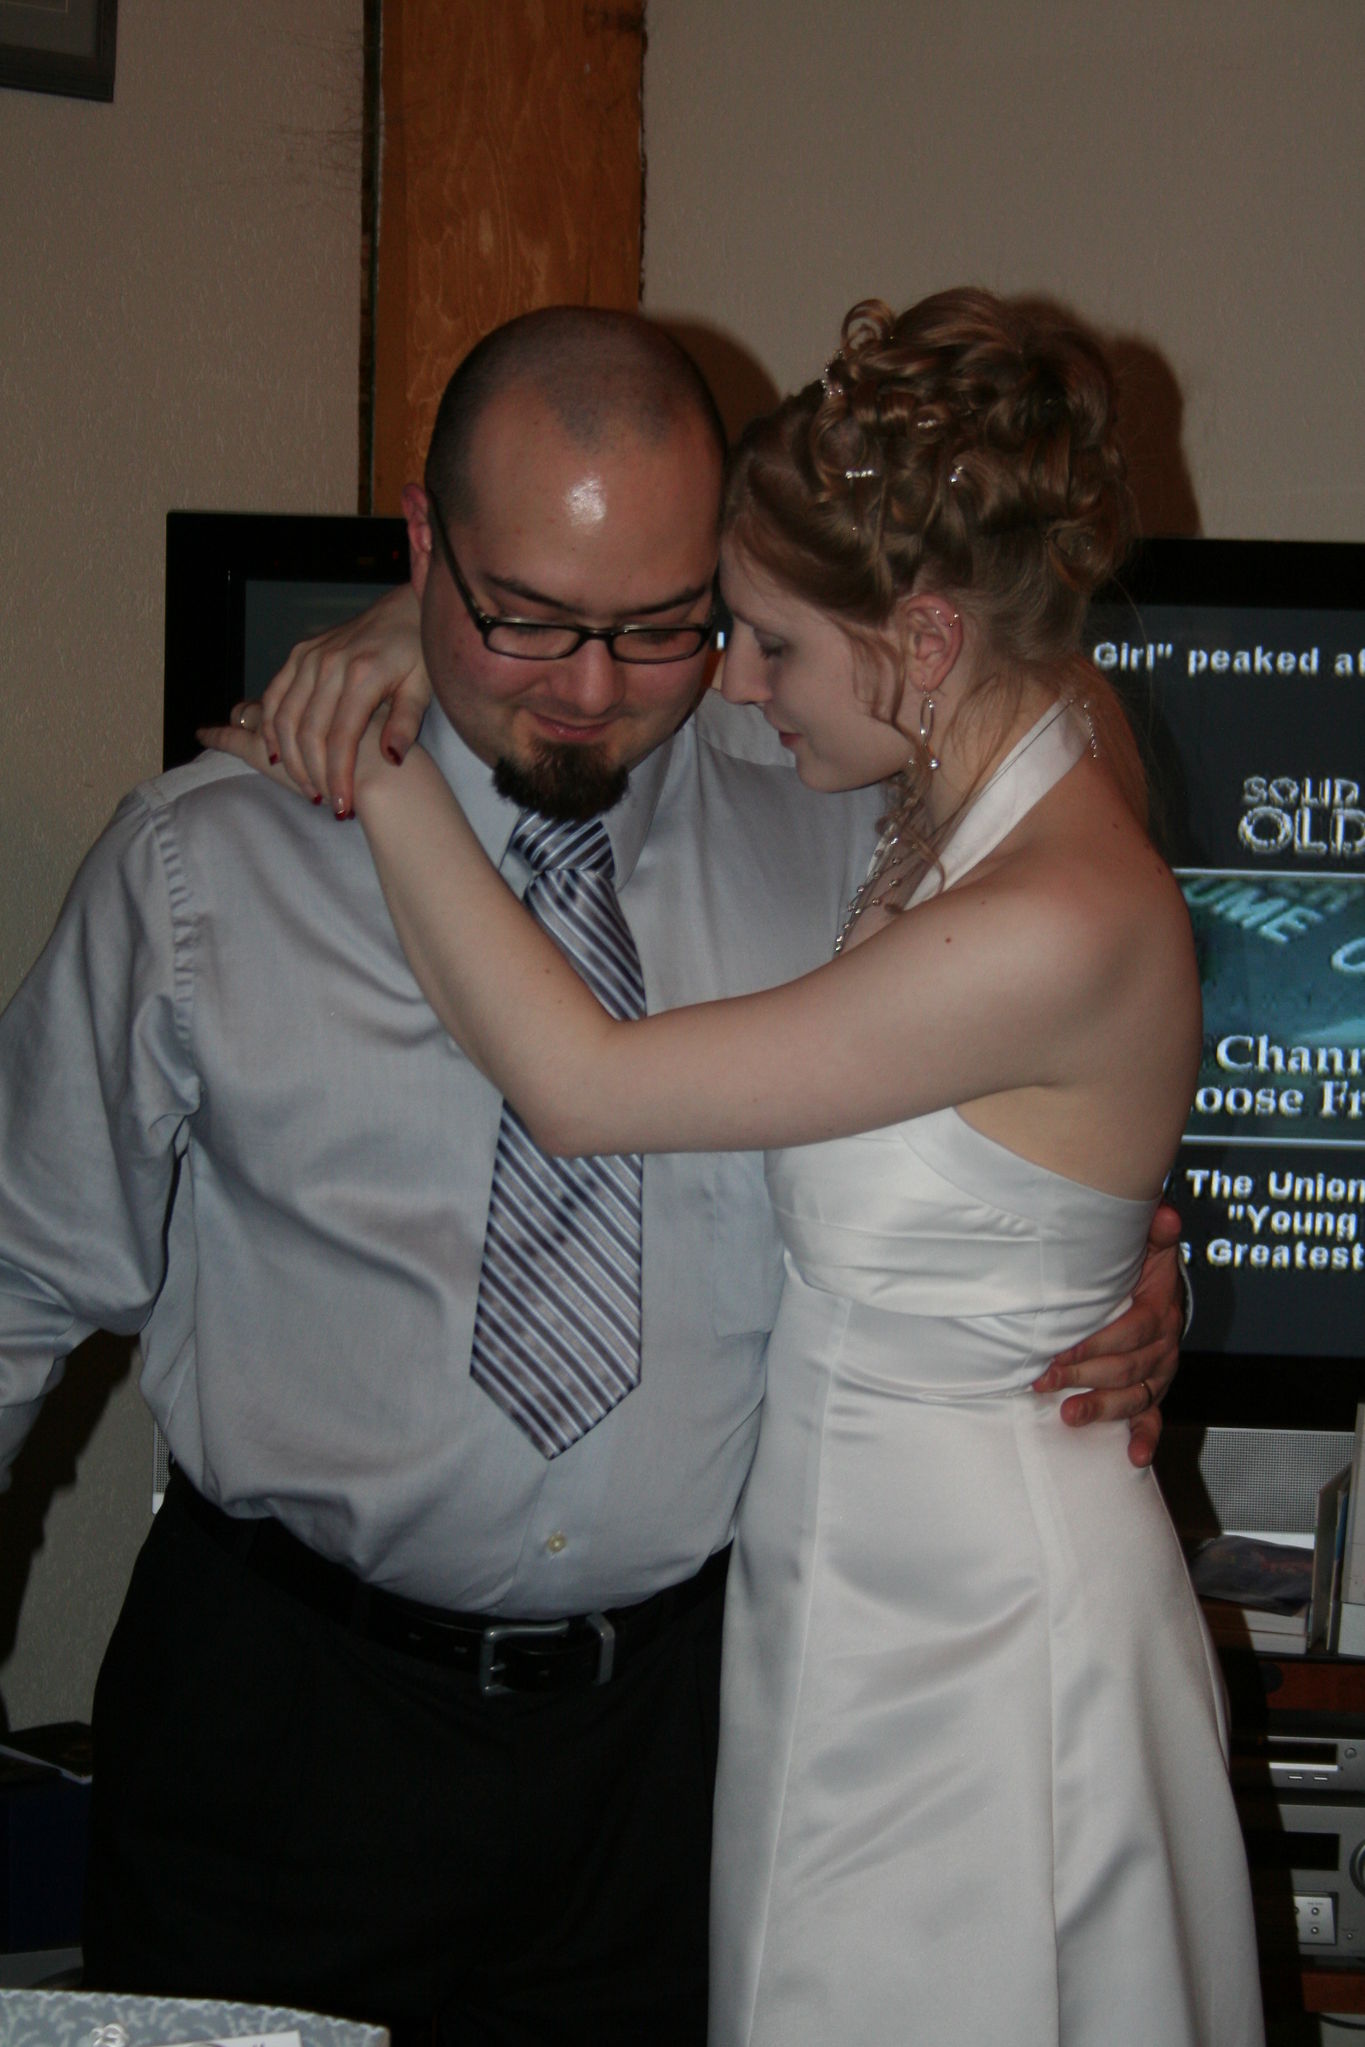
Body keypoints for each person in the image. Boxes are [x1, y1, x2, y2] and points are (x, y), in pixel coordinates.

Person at [0, 306, 1182, 2047]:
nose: (587, 687)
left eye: (657, 626)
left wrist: (1111, 1260)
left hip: (689, 1746)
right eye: (526, 617)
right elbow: (17, 1286)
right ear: (423, 546)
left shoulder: (846, 816)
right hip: (285, 1732)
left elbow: (1045, 925)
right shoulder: (204, 866)